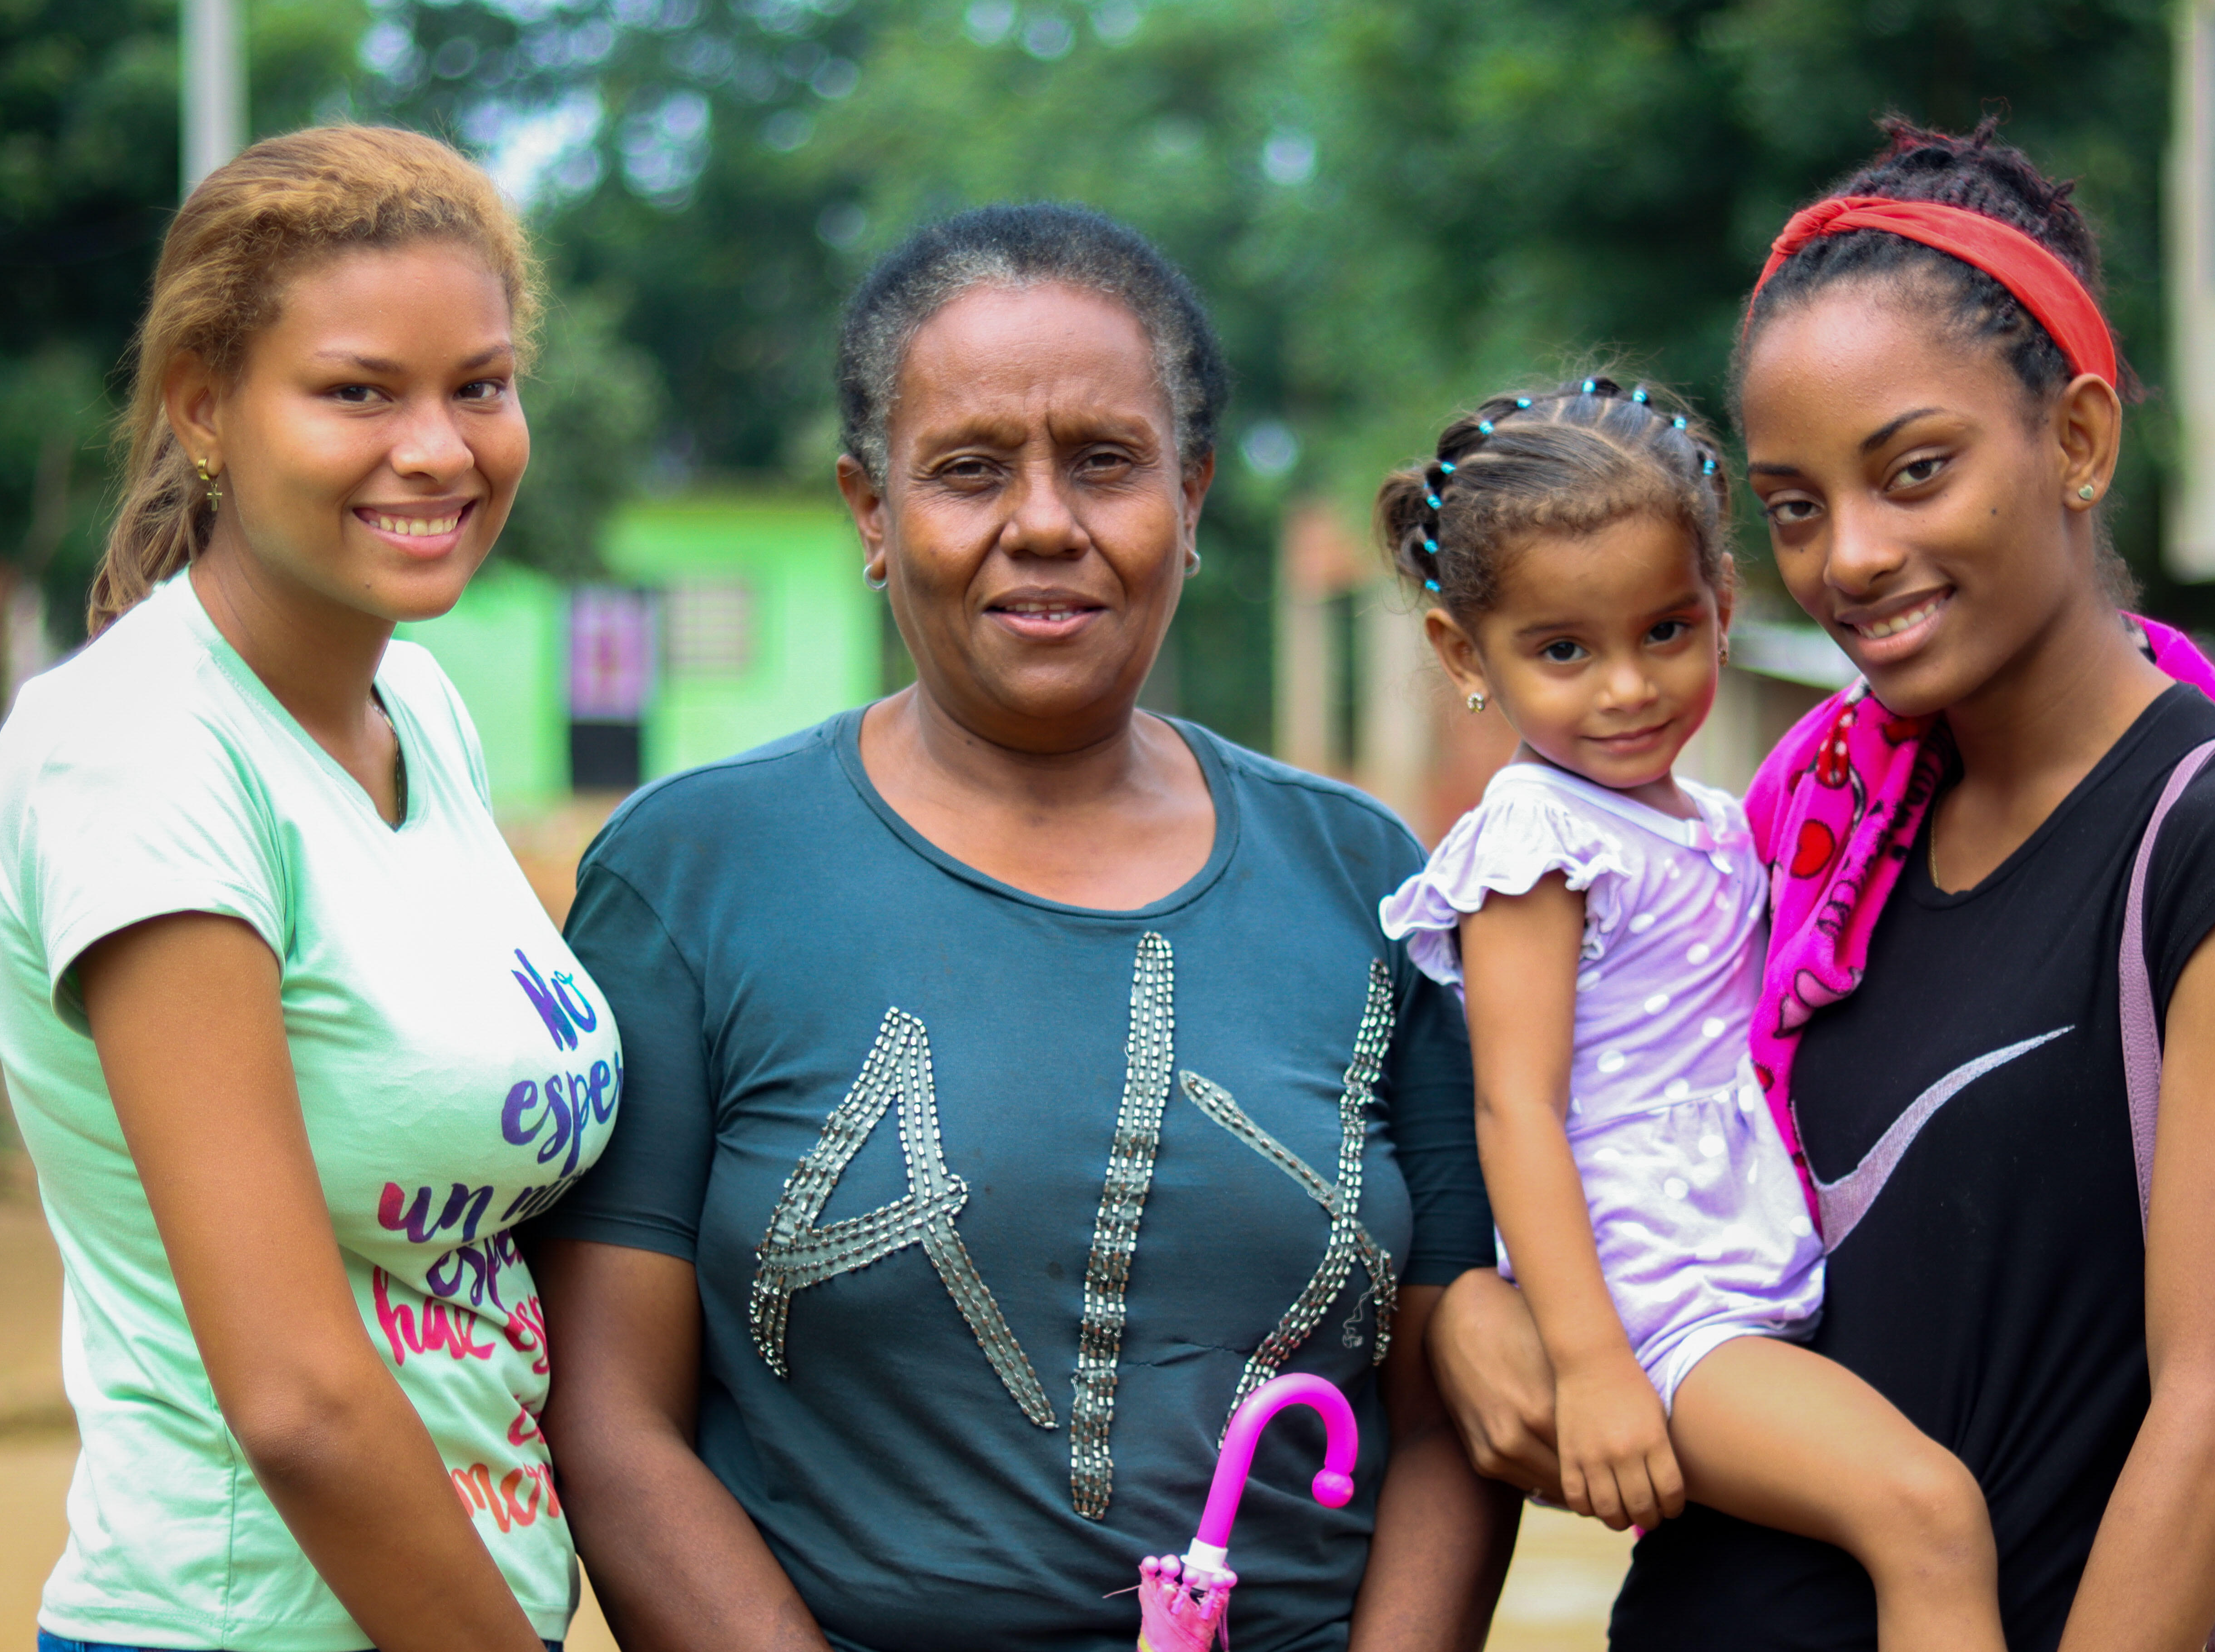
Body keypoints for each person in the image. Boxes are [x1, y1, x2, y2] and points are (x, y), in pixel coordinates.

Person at [1426, 120, 2215, 1652]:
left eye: (1915, 471)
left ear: (2077, 441)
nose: (1852, 557)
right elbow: (1561, 1091)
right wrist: (1471, 1308)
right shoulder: (1813, 816)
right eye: (1797, 505)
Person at [526, 203, 1516, 1652]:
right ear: (873, 512)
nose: (1045, 522)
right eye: (970, 468)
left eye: (1106, 461)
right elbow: (611, 1418)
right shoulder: (694, 874)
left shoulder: (1373, 884)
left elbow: (1446, 1412)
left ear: (1192, 494)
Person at [0, 126, 611, 1652]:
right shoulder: (144, 758)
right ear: (205, 407)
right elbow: (300, 1401)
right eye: (358, 393)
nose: (440, 448)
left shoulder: (419, 712)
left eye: (481, 385)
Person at [1369, 376, 2004, 1652]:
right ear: (1465, 654)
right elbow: (1516, 1109)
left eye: (1665, 630)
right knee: (1929, 1514)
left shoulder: (1720, 822)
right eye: (1564, 650)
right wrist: (1594, 1365)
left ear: (1723, 603)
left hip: (1741, 1262)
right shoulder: (1538, 841)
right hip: (1654, 1301)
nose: (1627, 687)